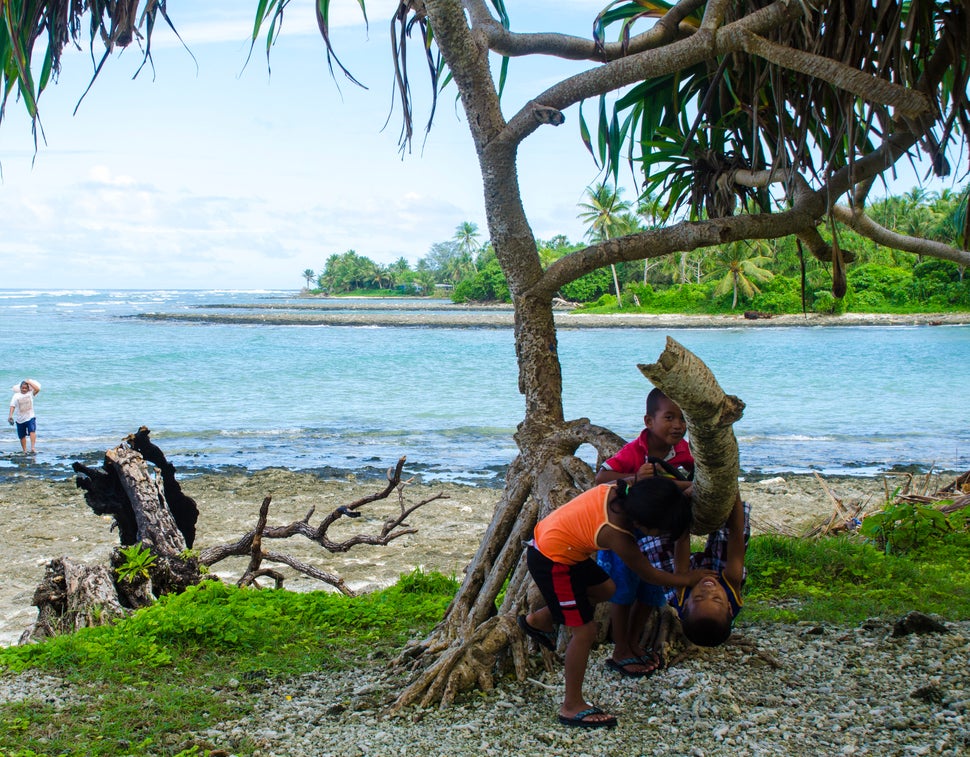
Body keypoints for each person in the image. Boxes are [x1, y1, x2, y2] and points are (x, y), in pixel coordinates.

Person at [517, 477, 716, 729]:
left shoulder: (620, 489)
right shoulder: (617, 534)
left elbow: (656, 485)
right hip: (554, 562)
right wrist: (686, 579)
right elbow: (649, 574)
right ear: (642, 524)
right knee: (584, 632)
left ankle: (540, 620)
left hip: (562, 548)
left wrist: (688, 487)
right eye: (660, 531)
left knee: (606, 588)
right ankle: (571, 706)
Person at [593, 388, 694, 677]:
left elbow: (693, 481)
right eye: (670, 417)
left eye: (683, 418)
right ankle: (620, 648)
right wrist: (635, 477)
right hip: (624, 533)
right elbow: (602, 477)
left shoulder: (686, 453)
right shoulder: (636, 450)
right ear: (649, 421)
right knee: (623, 590)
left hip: (659, 533)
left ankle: (634, 643)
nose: (678, 425)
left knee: (650, 592)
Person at [649, 490, 749, 647]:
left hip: (681, 577)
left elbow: (682, 540)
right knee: (733, 524)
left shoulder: (682, 597)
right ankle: (722, 505)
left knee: (657, 540)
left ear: (687, 603)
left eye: (699, 598)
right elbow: (736, 534)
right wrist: (732, 492)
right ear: (729, 606)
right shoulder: (731, 584)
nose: (708, 591)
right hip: (719, 574)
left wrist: (682, 505)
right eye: (716, 598)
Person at [8, 379, 41, 454]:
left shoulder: (30, 394)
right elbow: (12, 406)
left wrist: (29, 382)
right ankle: (25, 450)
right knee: (22, 435)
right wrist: (10, 416)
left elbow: (38, 389)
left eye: (25, 388)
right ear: (20, 388)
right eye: (22, 388)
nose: (24, 389)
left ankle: (32, 448)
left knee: (32, 431)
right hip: (20, 418)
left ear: (28, 388)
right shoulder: (16, 395)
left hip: (30, 416)